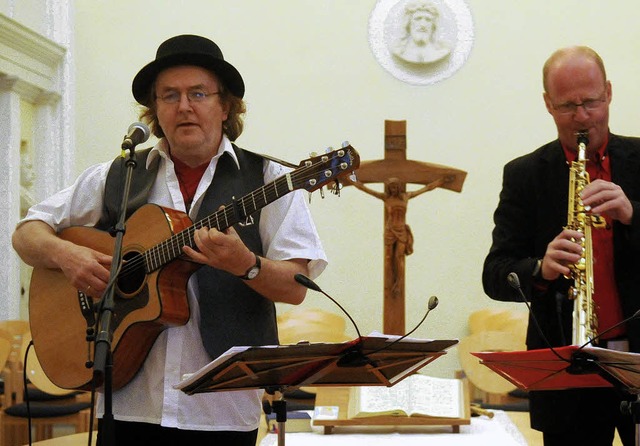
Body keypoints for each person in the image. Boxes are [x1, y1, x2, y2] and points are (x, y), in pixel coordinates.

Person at [12, 34, 327, 445]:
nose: (183, 106)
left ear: (225, 105)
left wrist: (245, 264)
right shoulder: (118, 175)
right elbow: (26, 233)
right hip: (125, 402)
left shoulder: (269, 180)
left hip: (220, 413)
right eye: (169, 95)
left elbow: (295, 287)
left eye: (198, 93)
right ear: (155, 110)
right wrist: (67, 255)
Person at [482, 45, 640, 446]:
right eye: (567, 106)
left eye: (591, 102)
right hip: (568, 372)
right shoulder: (524, 175)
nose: (582, 117)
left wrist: (633, 214)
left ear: (608, 92)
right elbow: (495, 273)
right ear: (547, 104)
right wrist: (541, 268)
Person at [390, 0, 450, 65]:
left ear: (433, 25)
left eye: (428, 20)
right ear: (408, 23)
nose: (423, 25)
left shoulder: (441, 52)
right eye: (418, 19)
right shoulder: (400, 51)